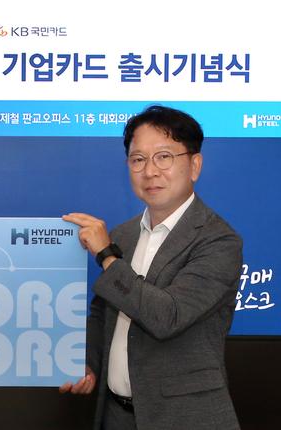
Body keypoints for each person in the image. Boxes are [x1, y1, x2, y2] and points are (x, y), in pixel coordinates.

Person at [60, 105, 242, 429]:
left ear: (195, 165)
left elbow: (167, 317)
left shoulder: (219, 241)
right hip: (115, 414)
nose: (150, 171)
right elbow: (103, 313)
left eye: (164, 157)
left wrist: (107, 256)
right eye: (138, 159)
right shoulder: (123, 235)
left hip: (184, 419)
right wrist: (87, 363)